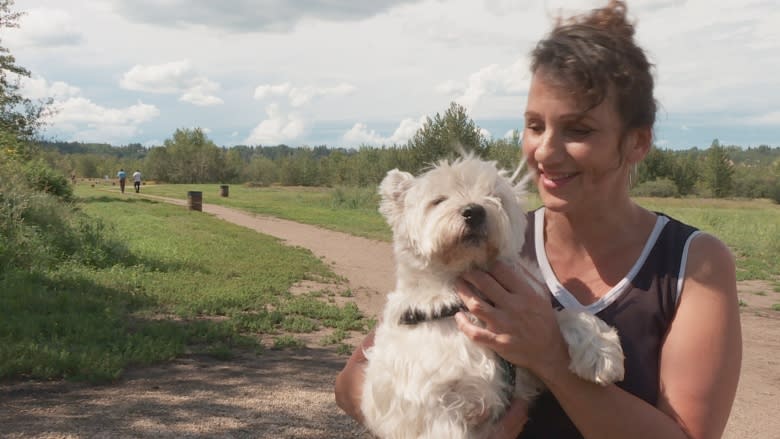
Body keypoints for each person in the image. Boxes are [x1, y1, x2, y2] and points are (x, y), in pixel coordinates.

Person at [334, 1, 742, 438]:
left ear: (637, 141)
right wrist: (417, 412)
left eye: (578, 130)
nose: (544, 151)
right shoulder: (489, 241)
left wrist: (550, 357)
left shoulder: (692, 265)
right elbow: (350, 385)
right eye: (534, 126)